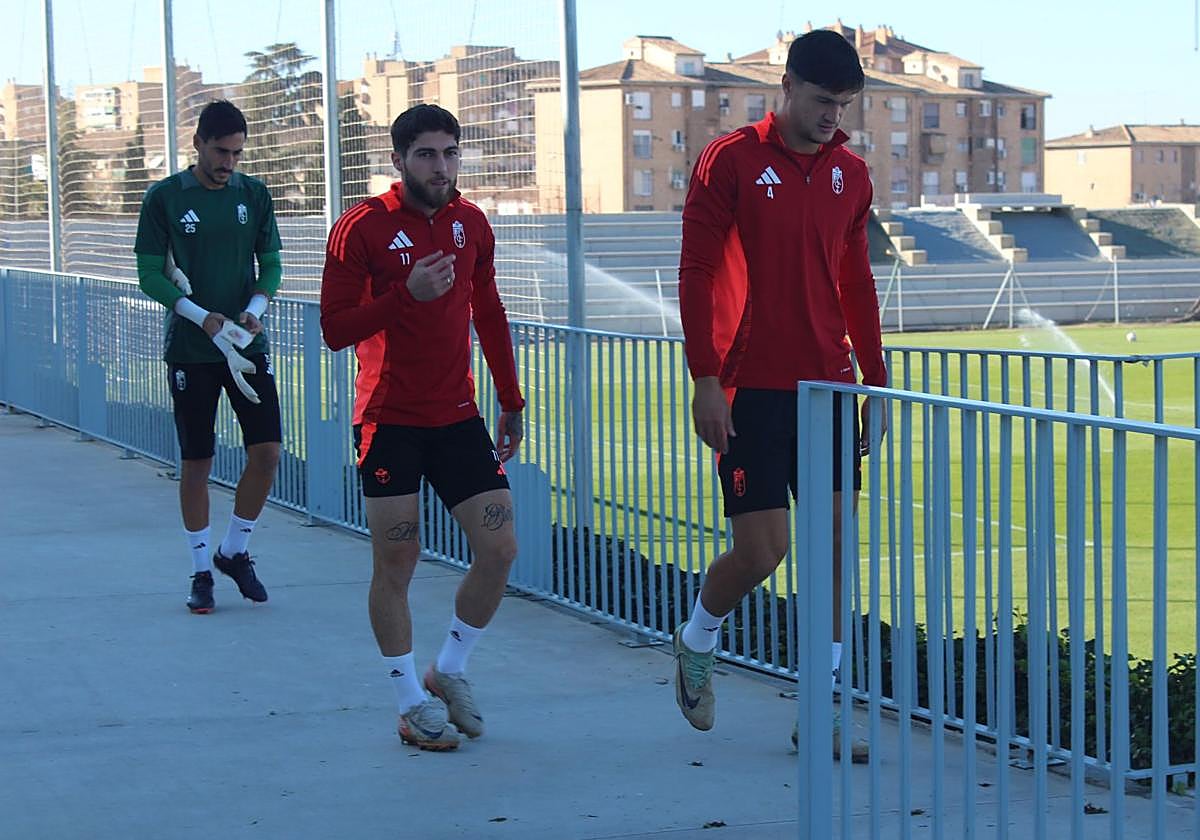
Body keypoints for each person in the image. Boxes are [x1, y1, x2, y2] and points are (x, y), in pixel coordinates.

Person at [673, 30, 887, 761]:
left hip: (828, 387)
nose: (834, 115)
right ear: (788, 86)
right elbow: (696, 271)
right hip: (750, 390)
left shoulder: (851, 175)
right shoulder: (730, 160)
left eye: (845, 104)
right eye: (824, 100)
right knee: (763, 552)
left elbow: (857, 282)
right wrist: (705, 379)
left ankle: (822, 710)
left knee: (829, 551)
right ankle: (698, 634)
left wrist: (876, 382)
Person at [320, 104, 524, 752]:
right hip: (388, 421)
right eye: (427, 155)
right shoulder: (361, 229)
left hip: (457, 414)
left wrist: (511, 397)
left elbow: (488, 311)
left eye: (450, 153)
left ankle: (450, 669)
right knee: (398, 558)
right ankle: (409, 699)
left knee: (500, 549)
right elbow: (334, 329)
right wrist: (406, 294)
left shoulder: (471, 223)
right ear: (399, 161)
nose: (442, 167)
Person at [135, 99, 283, 614]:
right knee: (197, 462)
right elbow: (150, 273)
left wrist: (255, 307)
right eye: (221, 151)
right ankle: (201, 570)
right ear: (197, 143)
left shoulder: (254, 194)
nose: (229, 162)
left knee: (267, 453)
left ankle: (234, 551)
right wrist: (203, 318)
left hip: (246, 347)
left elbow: (272, 263)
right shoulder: (165, 198)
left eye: (237, 152)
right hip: (193, 350)